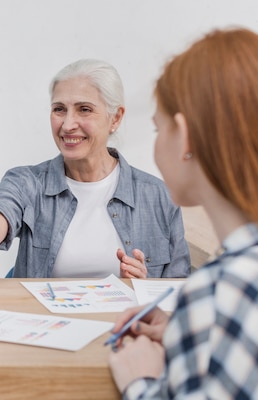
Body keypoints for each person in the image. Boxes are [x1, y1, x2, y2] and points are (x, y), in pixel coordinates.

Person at [0, 59, 190, 279]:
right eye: (59, 109)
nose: (68, 124)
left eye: (84, 109)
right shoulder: (27, 182)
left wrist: (144, 290)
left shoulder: (159, 196)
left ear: (115, 118)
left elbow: (178, 296)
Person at [107, 27, 258, 399]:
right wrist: (185, 328)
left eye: (159, 128)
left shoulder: (221, 287)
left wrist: (139, 381)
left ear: (185, 137)